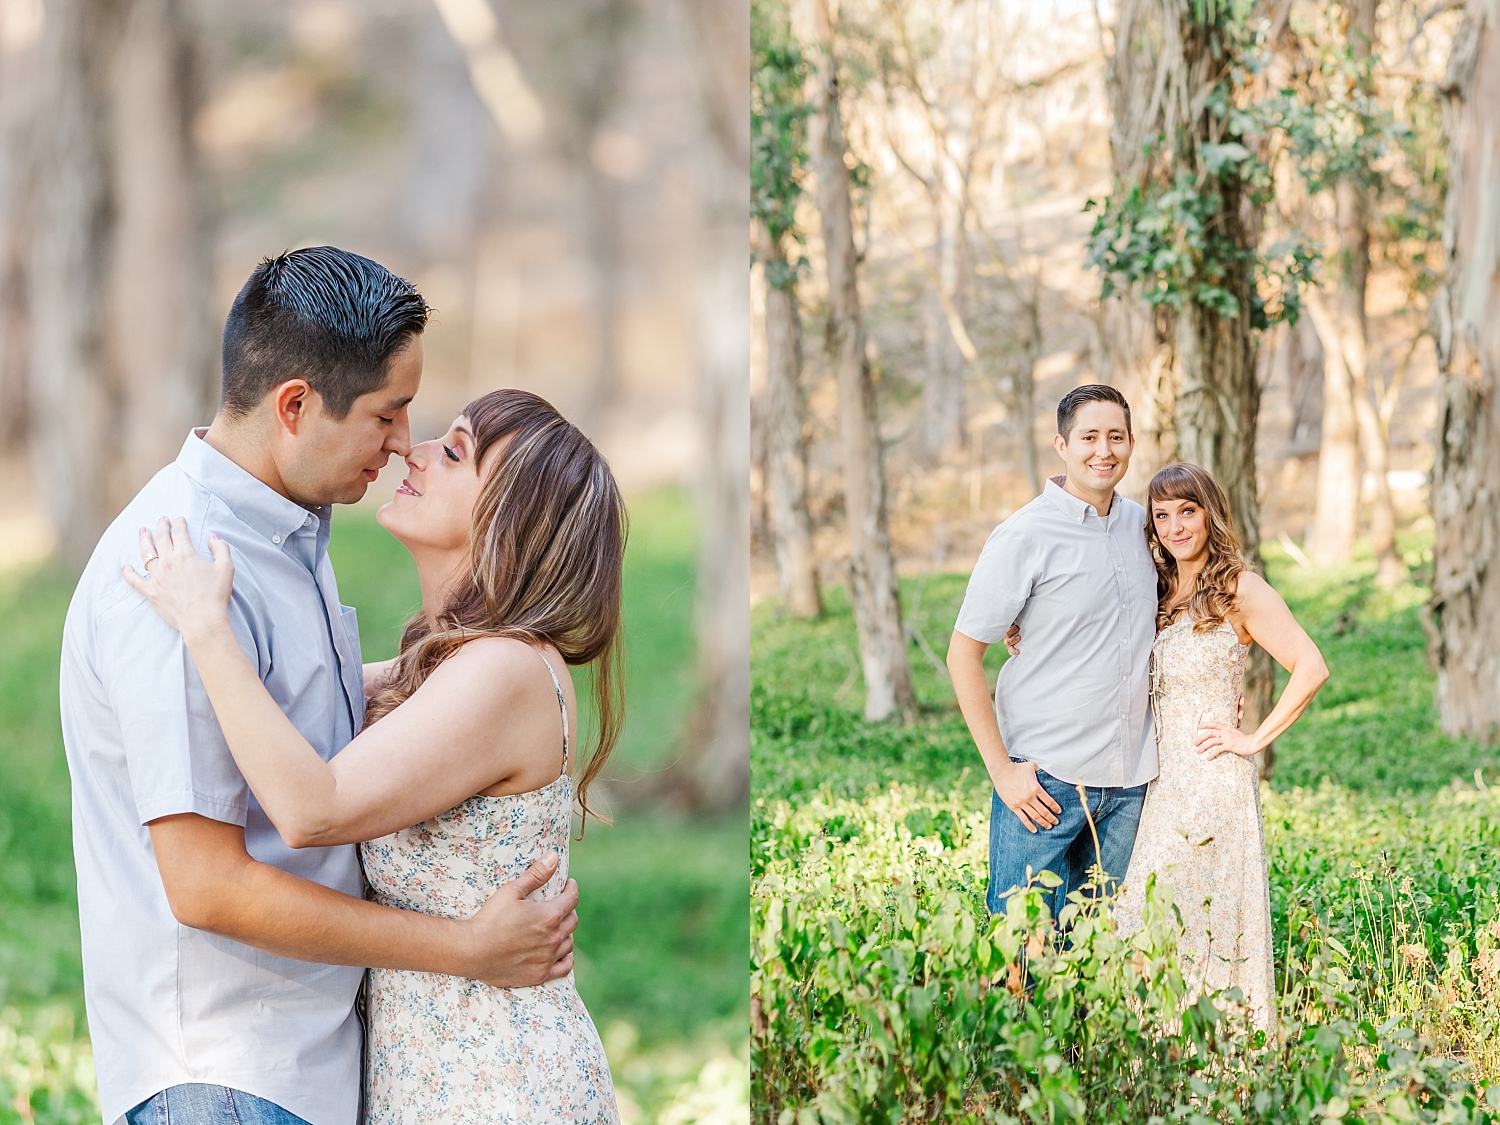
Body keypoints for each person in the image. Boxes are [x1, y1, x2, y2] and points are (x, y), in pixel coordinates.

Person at [60, 248, 578, 1125]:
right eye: (387, 413)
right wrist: (465, 948)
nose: (401, 443)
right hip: (224, 1075)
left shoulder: (288, 540)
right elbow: (209, 886)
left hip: (321, 1068)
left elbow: (347, 722)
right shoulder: (179, 566)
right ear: (295, 405)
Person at [126, 388, 623, 1122]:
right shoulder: (449, 666)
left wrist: (206, 626)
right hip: (435, 1078)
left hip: (500, 1084)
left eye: (453, 451)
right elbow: (302, 705)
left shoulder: (503, 672)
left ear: (508, 524)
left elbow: (311, 807)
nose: (410, 451)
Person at [1113, 462, 1328, 1032]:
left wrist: (1253, 738)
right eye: (1162, 515)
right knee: (1146, 922)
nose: (1176, 526)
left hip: (1212, 780)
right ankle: (1153, 1072)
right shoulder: (1157, 589)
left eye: (1188, 510)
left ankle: (1221, 1070)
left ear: (1210, 512)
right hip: (1158, 783)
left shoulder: (1238, 586)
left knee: (1199, 921)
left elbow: (1311, 666)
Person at [947, 384, 1159, 919]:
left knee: (1098, 965)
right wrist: (1002, 772)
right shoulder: (1024, 535)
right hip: (1045, 782)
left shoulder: (1144, 525)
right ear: (1062, 446)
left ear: (1132, 443)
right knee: (1021, 957)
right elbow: (962, 655)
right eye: (1088, 437)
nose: (1103, 451)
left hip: (1129, 784)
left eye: (1115, 437)